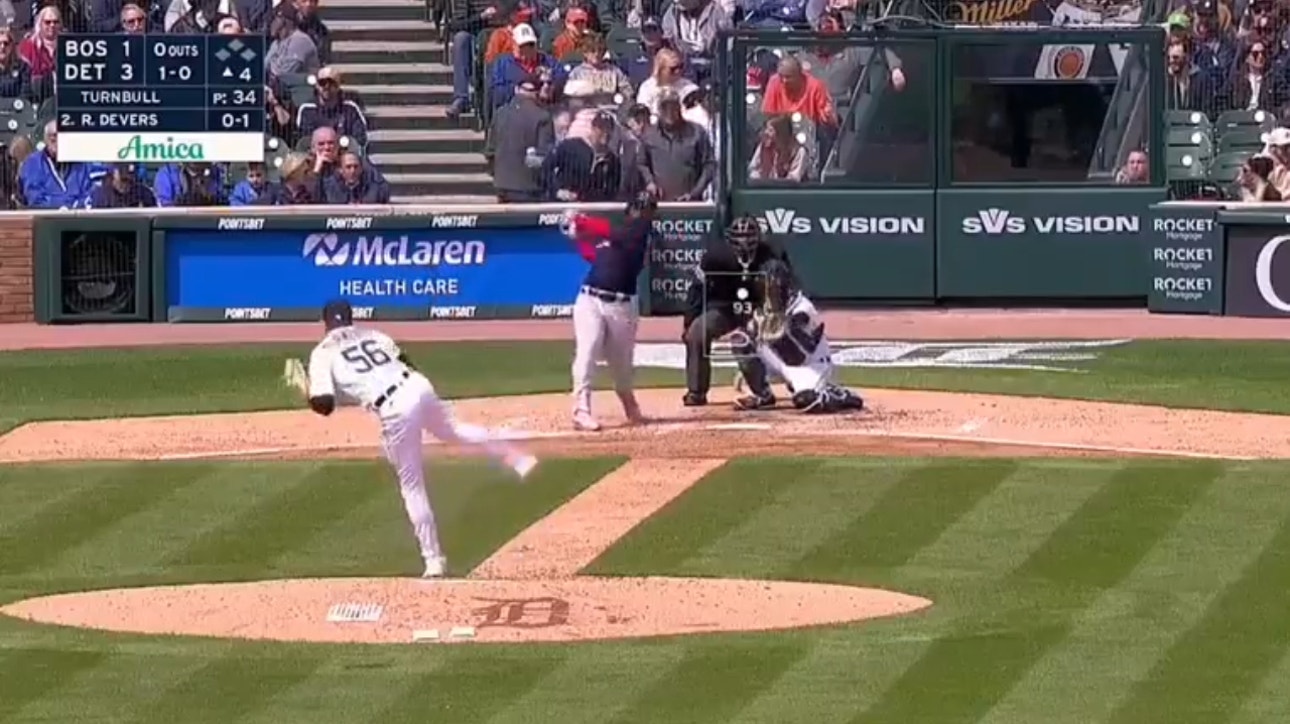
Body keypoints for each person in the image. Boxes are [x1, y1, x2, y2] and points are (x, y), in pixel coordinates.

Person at [304, 299, 538, 578]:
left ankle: (434, 560)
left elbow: (325, 405)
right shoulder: (375, 335)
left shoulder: (322, 353)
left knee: (411, 483)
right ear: (351, 318)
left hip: (395, 408)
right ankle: (519, 458)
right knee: (453, 431)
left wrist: (308, 393)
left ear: (326, 323)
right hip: (418, 385)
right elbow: (406, 362)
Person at [560, 193, 656, 430]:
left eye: (646, 210)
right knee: (587, 350)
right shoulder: (613, 236)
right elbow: (592, 256)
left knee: (621, 365)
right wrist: (577, 235)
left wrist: (581, 221)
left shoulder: (640, 233)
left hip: (622, 306)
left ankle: (628, 402)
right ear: (629, 210)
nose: (640, 214)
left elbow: (609, 231)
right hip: (589, 299)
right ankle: (581, 410)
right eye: (637, 209)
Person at [681, 213, 790, 406]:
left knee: (745, 341)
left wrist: (777, 316)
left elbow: (786, 289)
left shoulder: (772, 254)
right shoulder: (714, 256)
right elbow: (697, 289)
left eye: (749, 237)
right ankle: (696, 392)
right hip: (724, 307)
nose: (745, 243)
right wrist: (689, 322)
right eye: (740, 238)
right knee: (696, 333)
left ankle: (769, 389)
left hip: (758, 307)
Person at [730, 258, 864, 413]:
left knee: (806, 401)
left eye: (773, 288)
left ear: (784, 288)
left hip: (810, 365)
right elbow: (751, 338)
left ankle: (840, 395)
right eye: (765, 288)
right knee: (741, 339)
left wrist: (780, 332)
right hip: (779, 359)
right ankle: (763, 395)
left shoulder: (802, 309)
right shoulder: (762, 309)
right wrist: (749, 369)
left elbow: (797, 356)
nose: (769, 294)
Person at [88, 163, 156, 208]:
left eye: (130, 180)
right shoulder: (101, 195)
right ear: (114, 173)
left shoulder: (144, 194)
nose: (126, 184)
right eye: (123, 180)